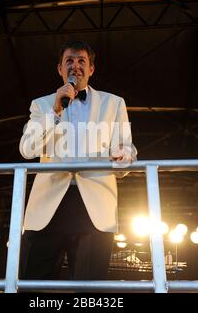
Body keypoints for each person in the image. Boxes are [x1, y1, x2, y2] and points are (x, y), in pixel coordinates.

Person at [19, 40, 137, 281]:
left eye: (82, 61)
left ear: (91, 69)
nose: (76, 66)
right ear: (59, 69)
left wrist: (123, 156)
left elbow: (126, 153)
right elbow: (27, 149)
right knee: (33, 286)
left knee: (90, 291)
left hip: (94, 208)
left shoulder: (114, 103)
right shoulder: (41, 105)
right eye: (69, 61)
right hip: (47, 207)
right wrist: (55, 111)